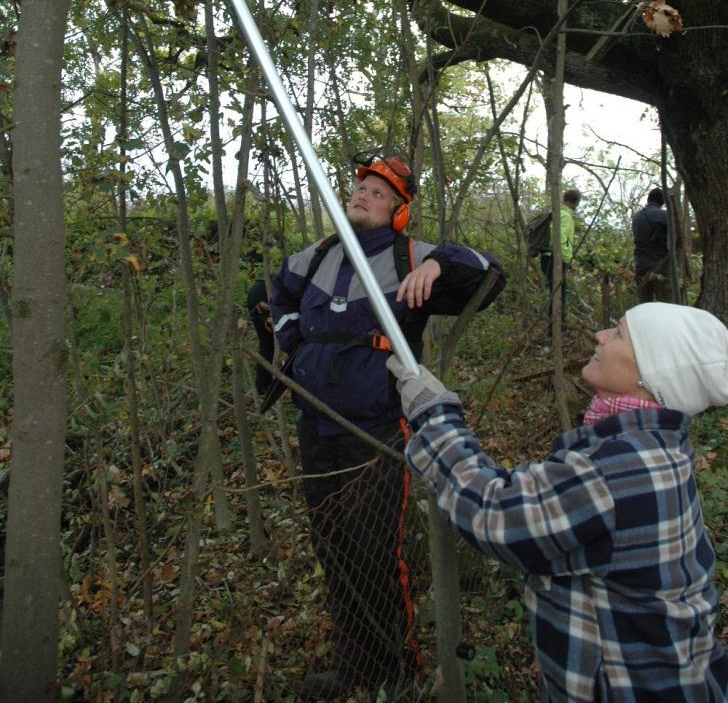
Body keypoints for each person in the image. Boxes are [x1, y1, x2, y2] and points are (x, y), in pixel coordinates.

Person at [388, 302, 728, 701]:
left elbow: (495, 515)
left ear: (652, 376)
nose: (600, 336)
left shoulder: (619, 468)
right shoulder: (659, 446)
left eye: (618, 334)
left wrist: (434, 416)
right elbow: (543, 496)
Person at [270, 148, 505, 699]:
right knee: (333, 547)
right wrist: (290, 339)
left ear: (400, 210)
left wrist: (438, 263)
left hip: (375, 428)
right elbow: (274, 290)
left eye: (379, 194)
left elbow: (492, 274)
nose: (363, 196)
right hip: (316, 423)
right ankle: (354, 665)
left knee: (375, 550)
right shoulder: (320, 254)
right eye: (361, 189)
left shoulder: (411, 257)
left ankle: (395, 671)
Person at [539, 187, 581, 341]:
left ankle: (557, 329)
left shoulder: (560, 212)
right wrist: (567, 260)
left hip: (551, 258)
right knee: (558, 295)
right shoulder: (564, 215)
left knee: (558, 294)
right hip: (554, 259)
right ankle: (554, 332)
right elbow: (560, 239)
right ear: (576, 202)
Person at [631, 186, 672, 303]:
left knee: (645, 307)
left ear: (648, 199)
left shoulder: (637, 217)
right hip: (661, 266)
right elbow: (674, 241)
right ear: (663, 202)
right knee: (666, 306)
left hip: (640, 266)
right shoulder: (665, 216)